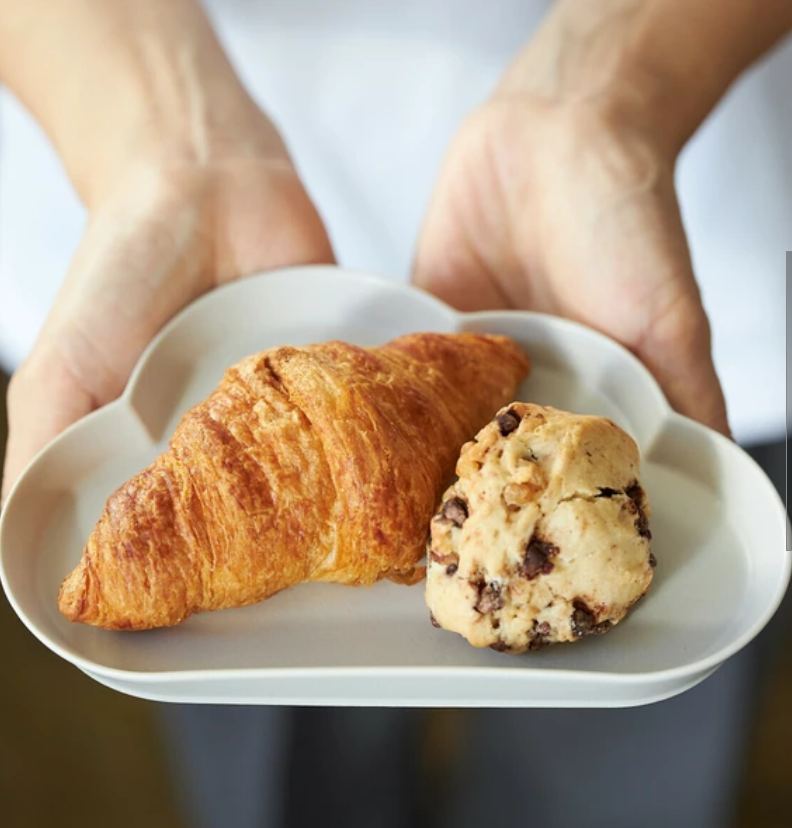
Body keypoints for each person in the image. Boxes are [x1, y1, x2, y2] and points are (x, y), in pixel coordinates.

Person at [0, 1, 788, 826]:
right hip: (158, 182)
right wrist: (160, 137)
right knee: (293, 792)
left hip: (656, 177)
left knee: (617, 783)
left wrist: (608, 92)